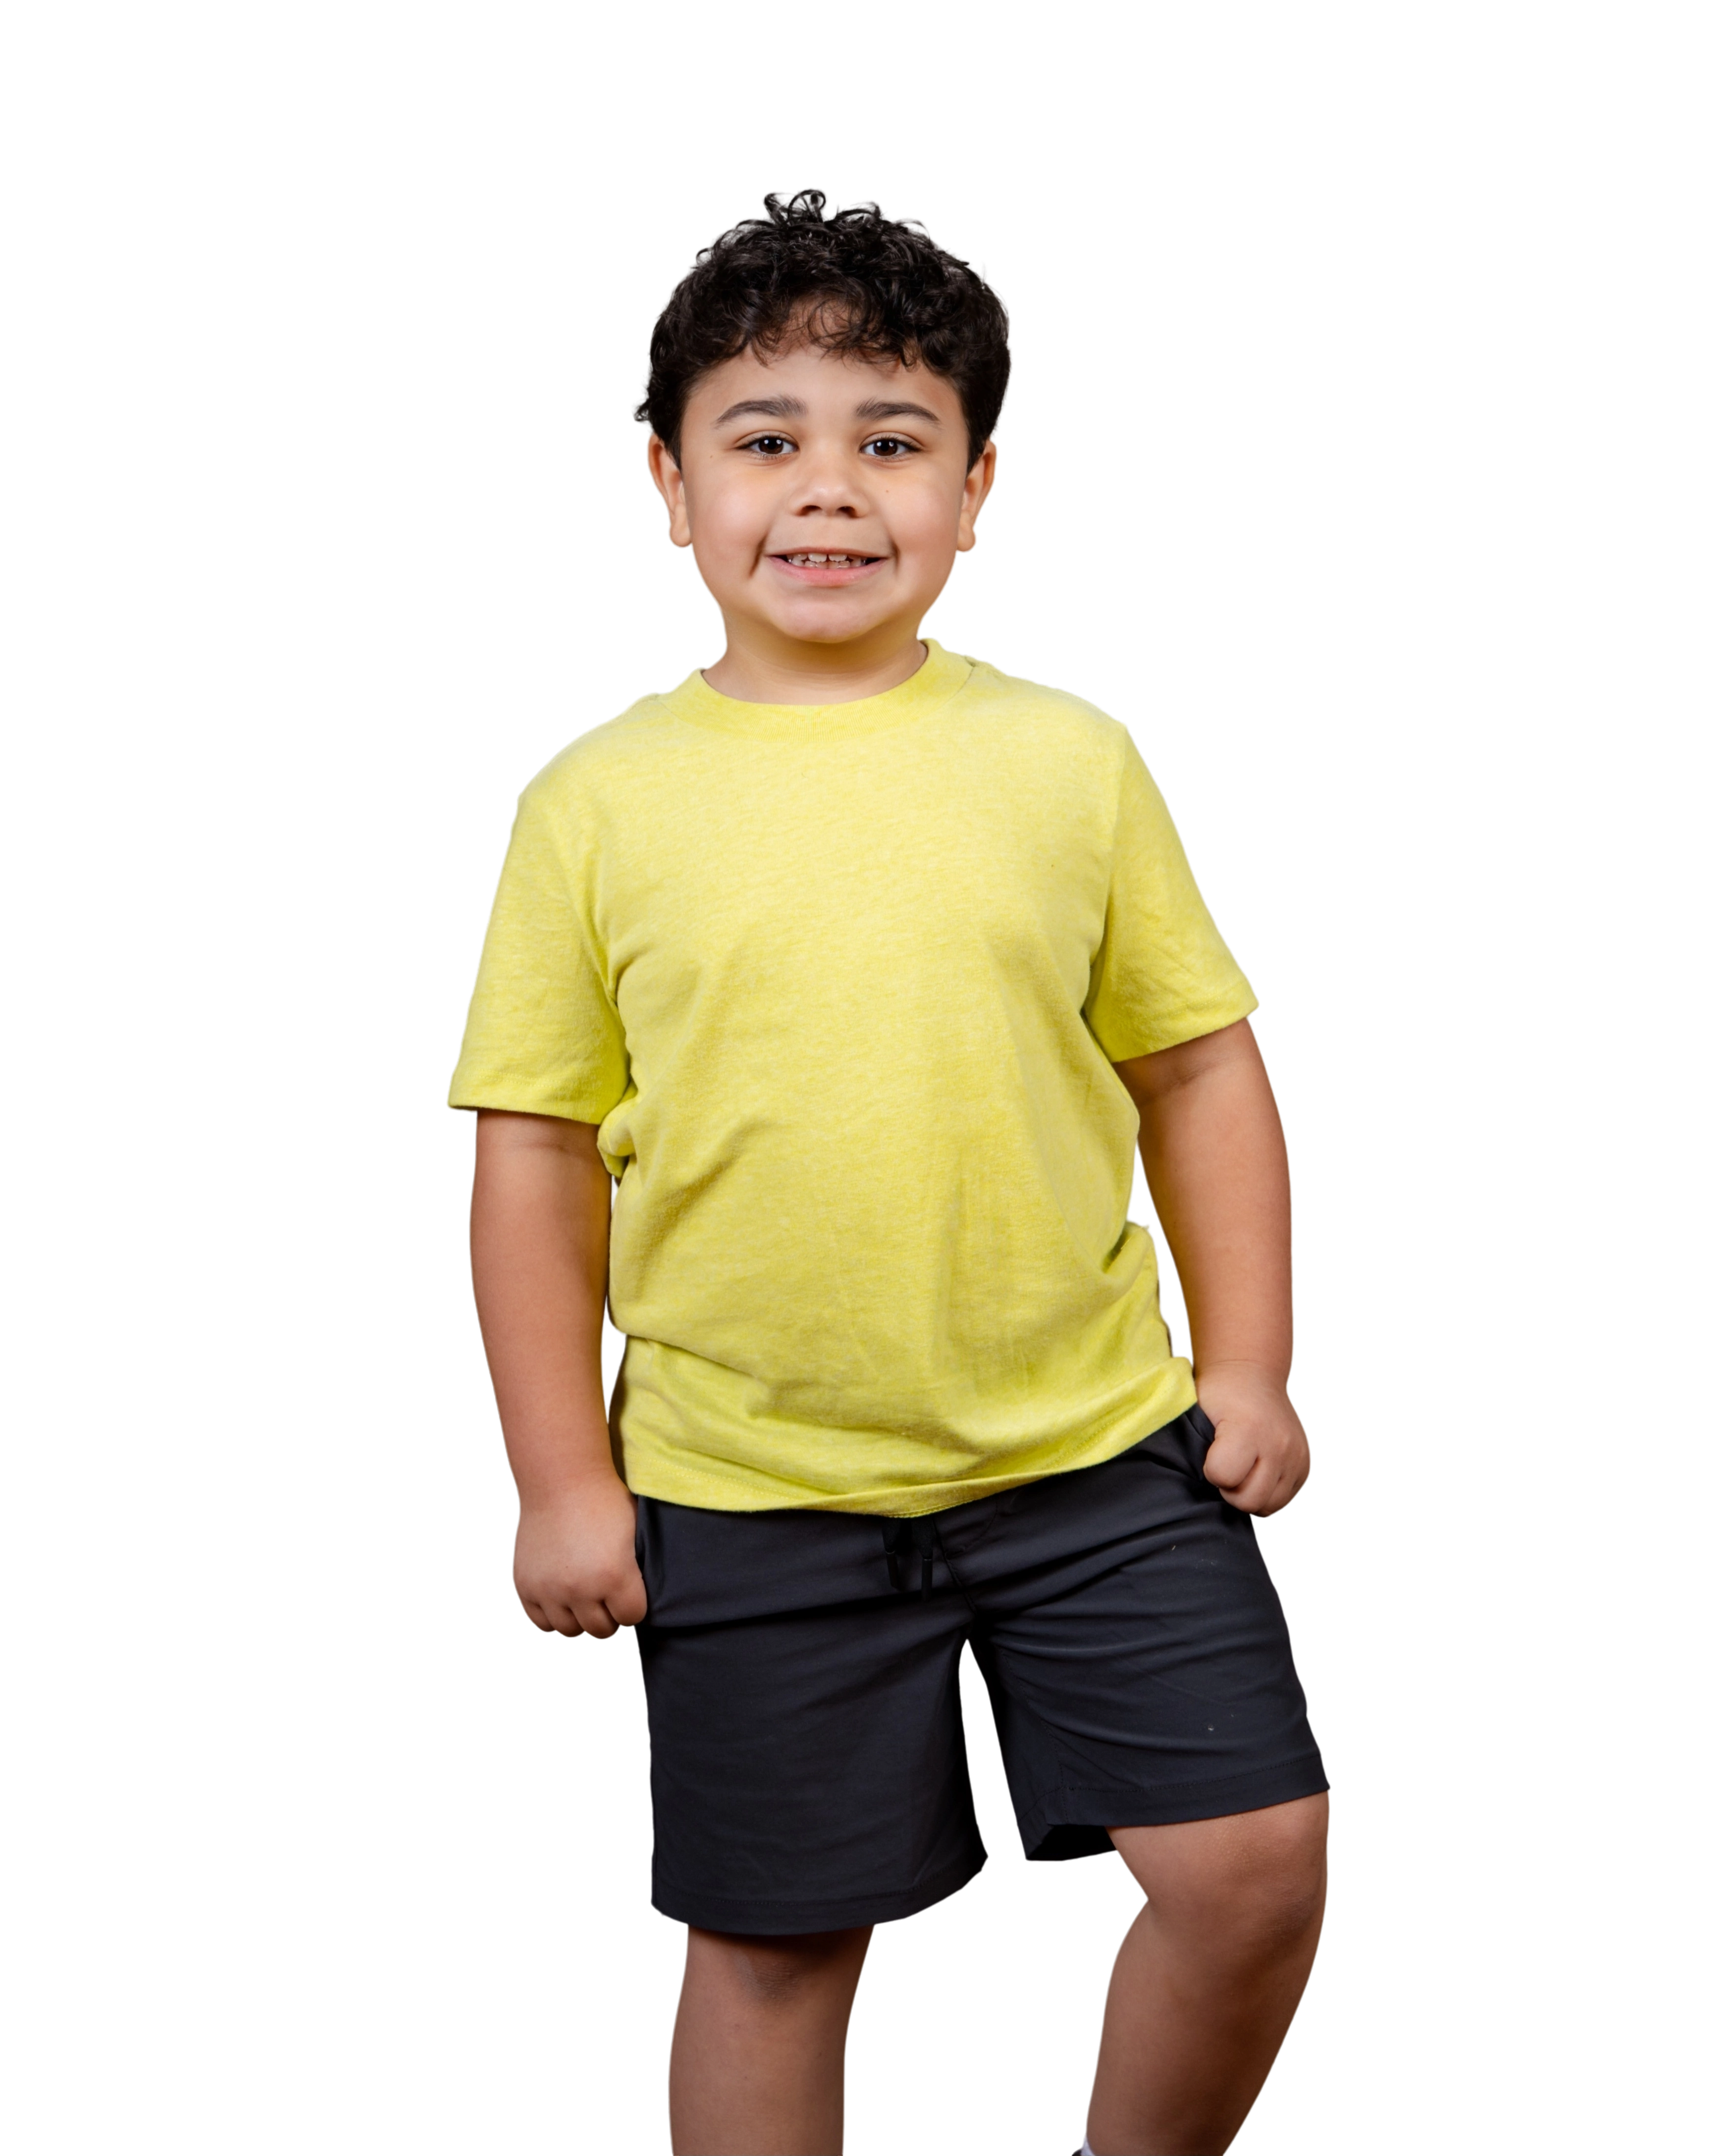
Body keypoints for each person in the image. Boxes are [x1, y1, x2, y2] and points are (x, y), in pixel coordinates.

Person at [445, 183, 1331, 2156]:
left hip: (1094, 1455)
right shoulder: (592, 803)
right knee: (773, 1955)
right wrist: (563, 1484)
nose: (828, 488)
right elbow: (533, 1160)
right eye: (765, 438)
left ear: (977, 486)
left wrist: (1251, 1366)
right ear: (669, 483)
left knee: (1254, 1863)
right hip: (745, 1488)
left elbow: (1198, 1072)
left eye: (893, 439)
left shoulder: (1070, 761)